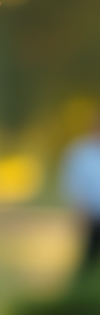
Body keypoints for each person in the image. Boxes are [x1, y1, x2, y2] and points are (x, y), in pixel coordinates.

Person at [60, 111, 100, 270]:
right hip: (90, 213)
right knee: (89, 255)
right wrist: (79, 211)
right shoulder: (81, 152)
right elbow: (74, 184)